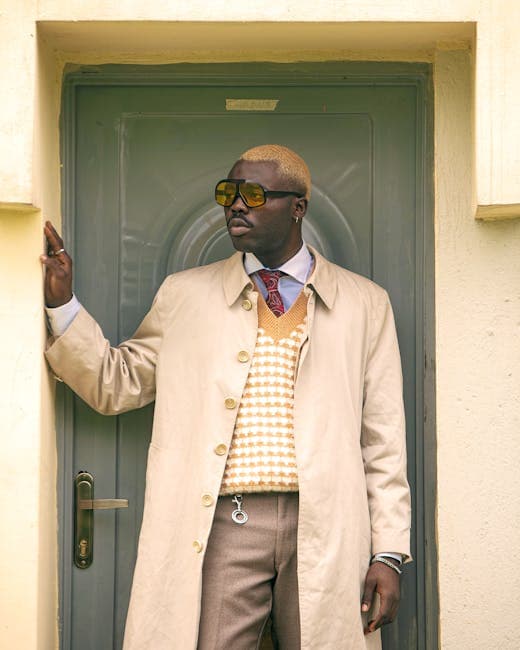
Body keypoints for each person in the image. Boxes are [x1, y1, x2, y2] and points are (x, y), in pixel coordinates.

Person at [42, 144, 411, 650]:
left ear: (297, 206)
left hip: (327, 526)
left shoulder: (366, 304)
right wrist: (62, 305)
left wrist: (388, 554)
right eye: (228, 193)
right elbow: (119, 382)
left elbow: (384, 441)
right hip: (226, 522)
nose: (236, 205)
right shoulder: (184, 295)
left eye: (253, 195)